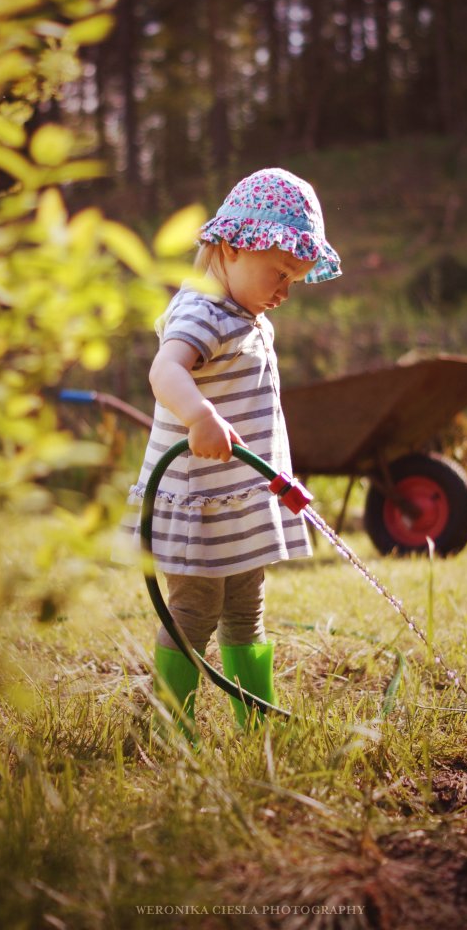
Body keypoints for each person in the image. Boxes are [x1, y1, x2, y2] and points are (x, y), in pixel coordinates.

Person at [127, 167, 342, 736]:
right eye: (279, 272)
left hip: (236, 501)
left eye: (294, 279)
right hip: (199, 503)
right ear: (230, 246)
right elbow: (164, 370)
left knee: (247, 610)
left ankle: (258, 720)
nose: (285, 291)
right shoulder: (202, 311)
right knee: (195, 612)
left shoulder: (249, 316)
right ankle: (169, 729)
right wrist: (199, 415)